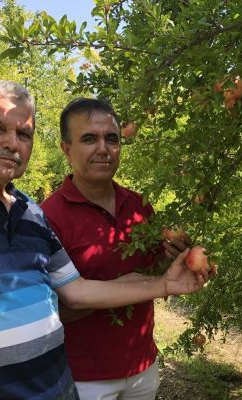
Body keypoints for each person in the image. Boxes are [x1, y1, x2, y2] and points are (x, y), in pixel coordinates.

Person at [0, 80, 208, 400]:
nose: (12, 142)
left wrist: (164, 284)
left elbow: (77, 290)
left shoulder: (31, 214)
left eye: (24, 133)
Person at [41, 98, 193, 399]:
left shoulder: (139, 205)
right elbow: (53, 312)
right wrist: (124, 287)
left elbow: (151, 271)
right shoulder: (48, 217)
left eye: (112, 139)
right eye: (89, 139)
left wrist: (173, 258)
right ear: (66, 149)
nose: (103, 149)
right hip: (83, 377)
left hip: (142, 366)